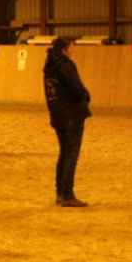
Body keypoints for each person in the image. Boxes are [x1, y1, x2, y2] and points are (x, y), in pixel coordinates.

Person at [43, 37, 91, 207]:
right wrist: (86, 96)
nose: (73, 50)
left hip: (57, 115)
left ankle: (60, 193)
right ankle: (68, 194)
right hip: (71, 114)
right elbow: (76, 88)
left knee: (64, 152)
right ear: (64, 49)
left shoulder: (49, 67)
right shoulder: (65, 65)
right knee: (71, 154)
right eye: (71, 47)